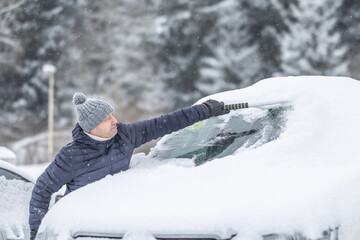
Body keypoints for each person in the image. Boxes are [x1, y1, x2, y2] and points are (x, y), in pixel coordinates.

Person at [29, 93, 230, 239]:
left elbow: (164, 123)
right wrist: (37, 232)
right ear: (93, 127)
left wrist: (203, 111)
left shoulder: (124, 135)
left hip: (117, 221)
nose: (115, 120)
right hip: (83, 228)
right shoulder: (71, 155)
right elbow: (42, 189)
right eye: (107, 119)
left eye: (112, 115)